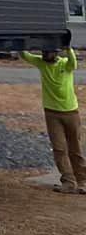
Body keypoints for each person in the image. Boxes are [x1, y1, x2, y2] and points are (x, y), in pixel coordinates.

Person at [21, 32, 86, 193]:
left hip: (71, 112)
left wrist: (68, 47)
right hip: (52, 113)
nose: (43, 55)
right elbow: (25, 55)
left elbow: (74, 63)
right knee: (59, 149)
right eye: (43, 52)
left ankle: (83, 181)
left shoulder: (65, 64)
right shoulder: (41, 63)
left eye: (47, 52)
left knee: (75, 149)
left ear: (56, 52)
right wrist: (21, 41)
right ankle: (68, 181)